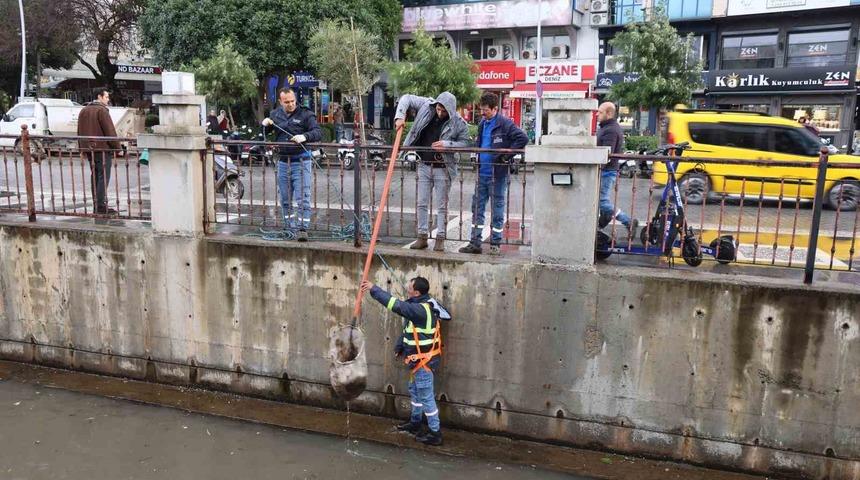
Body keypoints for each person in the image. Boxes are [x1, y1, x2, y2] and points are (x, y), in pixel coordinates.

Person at [359, 277, 451, 446]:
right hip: (417, 362)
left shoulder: (420, 310)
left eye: (410, 287)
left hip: (423, 364)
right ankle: (415, 423)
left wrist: (373, 289)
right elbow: (410, 328)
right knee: (415, 392)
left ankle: (435, 433)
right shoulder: (422, 305)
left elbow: (396, 305)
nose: (407, 288)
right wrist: (400, 346)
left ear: (416, 292)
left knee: (426, 397)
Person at [394, 92, 470, 252]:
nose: (440, 113)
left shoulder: (459, 123)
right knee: (421, 202)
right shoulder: (426, 105)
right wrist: (399, 116)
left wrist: (447, 145)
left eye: (444, 111)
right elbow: (406, 98)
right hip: (424, 164)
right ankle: (422, 237)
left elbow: (465, 144)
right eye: (438, 109)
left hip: (443, 167)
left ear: (451, 110)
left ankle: (440, 238)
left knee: (442, 205)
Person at [459, 92, 528, 255]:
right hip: (482, 173)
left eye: (486, 110)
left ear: (495, 109)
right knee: (477, 209)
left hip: (497, 174)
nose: (483, 113)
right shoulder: (483, 123)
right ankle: (475, 243)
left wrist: (506, 155)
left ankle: (495, 243)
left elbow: (522, 138)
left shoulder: (505, 124)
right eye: (481, 110)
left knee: (497, 210)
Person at [262, 88, 322, 242]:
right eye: (287, 102)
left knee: (303, 198)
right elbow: (265, 132)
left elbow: (317, 132)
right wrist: (266, 124)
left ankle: (302, 229)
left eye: (292, 101)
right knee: (285, 199)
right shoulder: (275, 114)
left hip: (301, 161)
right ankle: (289, 227)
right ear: (281, 102)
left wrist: (305, 136)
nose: (290, 104)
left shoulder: (306, 114)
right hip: (283, 162)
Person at [77, 88, 123, 215]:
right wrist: (118, 148)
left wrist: (82, 148)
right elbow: (110, 131)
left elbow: (79, 130)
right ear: (99, 97)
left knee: (95, 176)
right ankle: (101, 206)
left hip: (89, 148)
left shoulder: (84, 110)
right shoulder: (102, 110)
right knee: (103, 176)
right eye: (106, 97)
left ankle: (97, 204)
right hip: (102, 148)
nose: (108, 99)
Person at [596, 102, 638, 238]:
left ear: (609, 113)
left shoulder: (611, 130)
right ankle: (600, 225)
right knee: (601, 201)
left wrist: (598, 168)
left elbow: (607, 154)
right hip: (605, 171)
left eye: (600, 112)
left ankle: (628, 221)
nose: (597, 114)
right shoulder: (606, 128)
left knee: (602, 201)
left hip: (607, 171)